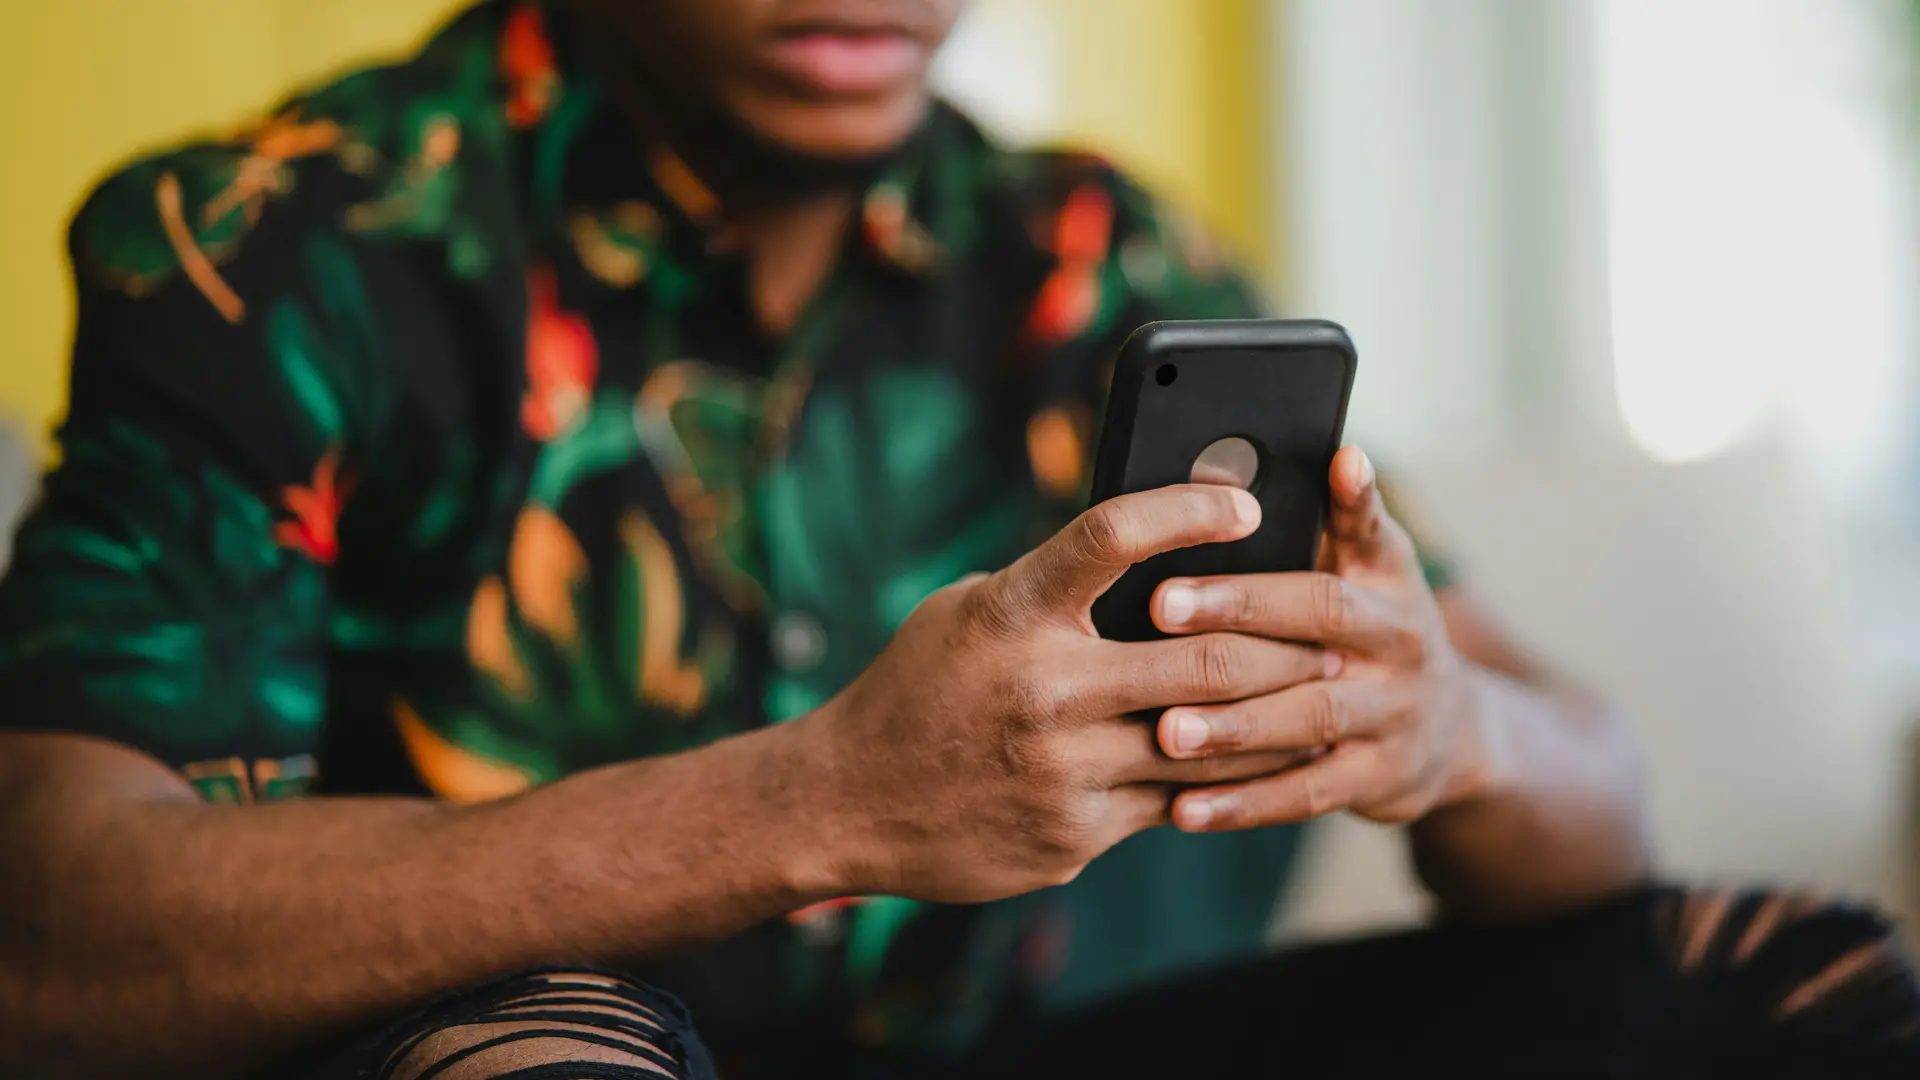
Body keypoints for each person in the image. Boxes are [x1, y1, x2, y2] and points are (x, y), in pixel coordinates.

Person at [0, 2, 1912, 1078]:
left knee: (1786, 972)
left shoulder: (1098, 255)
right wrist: (816, 801)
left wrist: (1454, 735)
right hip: (551, 1048)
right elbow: (57, 933)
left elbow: (1597, 816)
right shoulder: (276, 248)